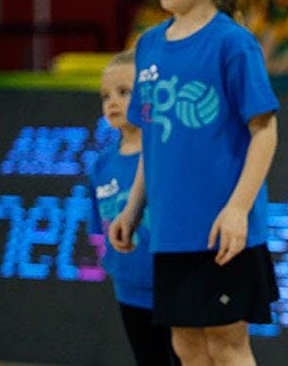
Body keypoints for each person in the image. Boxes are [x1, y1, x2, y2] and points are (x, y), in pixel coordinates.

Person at [108, 0, 280, 365]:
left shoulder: (232, 43)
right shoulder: (148, 46)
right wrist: (133, 209)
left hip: (222, 232)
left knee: (226, 344)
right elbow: (151, 140)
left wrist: (238, 209)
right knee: (185, 346)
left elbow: (265, 131)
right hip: (170, 232)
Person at [88, 51, 179, 366]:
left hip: (173, 284)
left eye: (124, 92)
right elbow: (98, 226)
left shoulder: (165, 153)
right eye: (106, 96)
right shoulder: (101, 164)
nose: (112, 101)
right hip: (129, 289)